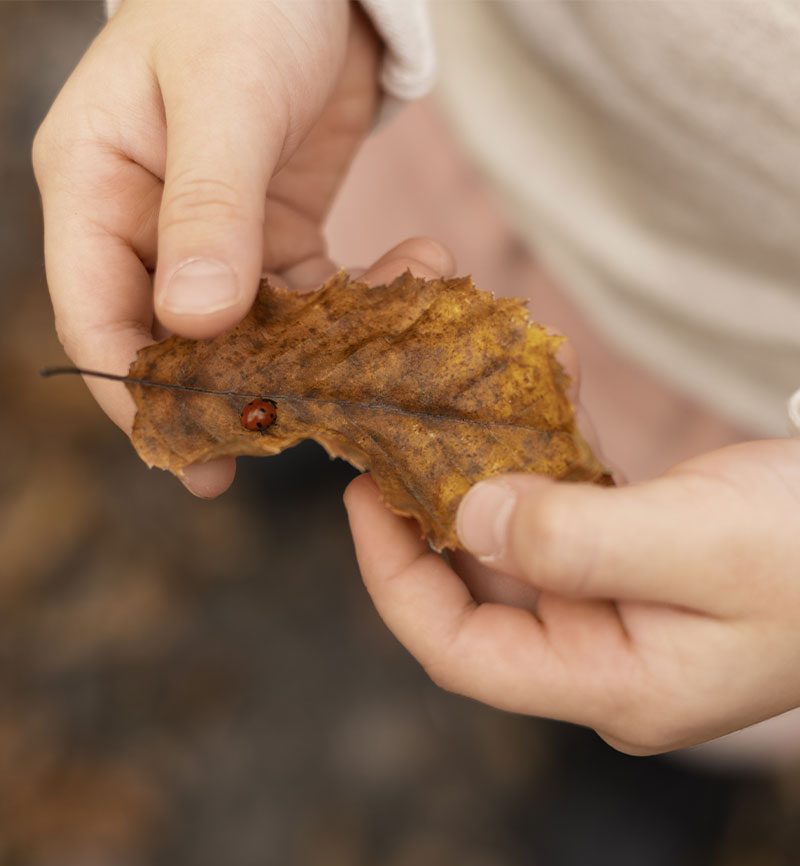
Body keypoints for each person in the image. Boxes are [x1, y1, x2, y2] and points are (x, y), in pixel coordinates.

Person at [33, 0, 800, 755]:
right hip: (436, 107)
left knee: (618, 597)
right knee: (331, 312)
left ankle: (647, 764)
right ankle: (307, 448)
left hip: (750, 406)